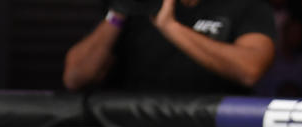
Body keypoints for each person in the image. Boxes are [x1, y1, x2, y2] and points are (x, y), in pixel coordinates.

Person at [63, 0, 276, 93]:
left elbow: (250, 69)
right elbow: (75, 77)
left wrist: (170, 26)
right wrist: (118, 11)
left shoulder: (246, 6)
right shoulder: (138, 8)